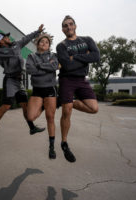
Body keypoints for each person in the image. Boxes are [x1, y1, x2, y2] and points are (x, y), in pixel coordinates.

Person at [0, 25, 46, 142]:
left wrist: (38, 32)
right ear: (1, 41)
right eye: (6, 37)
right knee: (7, 105)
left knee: (24, 105)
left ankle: (32, 128)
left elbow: (26, 38)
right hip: (10, 80)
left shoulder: (16, 45)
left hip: (19, 80)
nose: (8, 37)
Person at [56, 15, 100, 162]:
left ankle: (65, 101)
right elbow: (67, 66)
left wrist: (75, 58)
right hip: (66, 79)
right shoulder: (61, 46)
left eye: (70, 24)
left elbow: (96, 56)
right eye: (65, 25)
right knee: (66, 111)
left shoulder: (87, 40)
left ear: (75, 25)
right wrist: (85, 56)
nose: (68, 27)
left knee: (94, 108)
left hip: (82, 79)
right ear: (62, 29)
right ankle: (64, 143)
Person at [26, 33, 59, 159]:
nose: (44, 43)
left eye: (47, 42)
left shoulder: (54, 56)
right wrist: (47, 67)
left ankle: (51, 147)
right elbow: (30, 70)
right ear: (37, 44)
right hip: (37, 90)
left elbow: (54, 66)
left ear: (49, 45)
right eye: (41, 41)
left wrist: (39, 66)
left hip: (50, 89)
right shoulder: (31, 56)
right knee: (30, 116)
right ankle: (44, 106)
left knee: (50, 118)